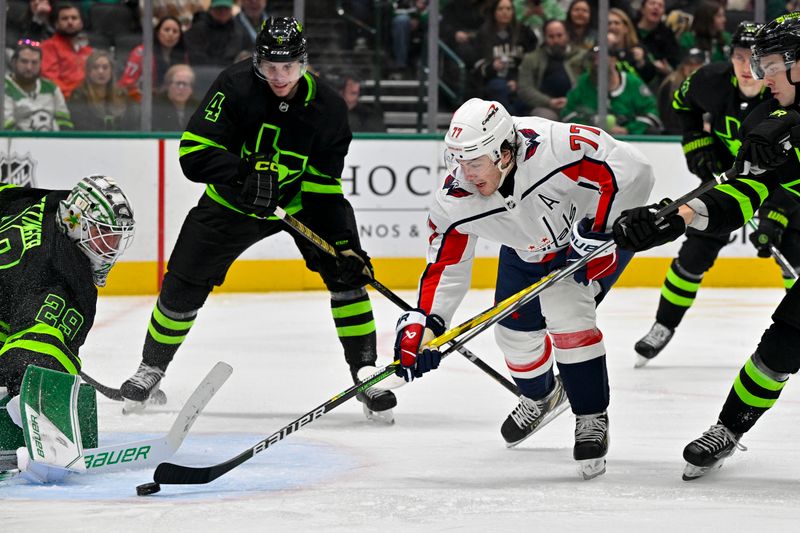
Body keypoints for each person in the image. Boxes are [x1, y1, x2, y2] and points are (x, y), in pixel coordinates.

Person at [118, 17, 397, 423]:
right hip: (231, 204)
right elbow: (192, 152)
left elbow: (322, 184)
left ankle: (366, 372)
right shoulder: (233, 87)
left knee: (347, 272)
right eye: (270, 67)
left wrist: (342, 244)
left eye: (288, 67)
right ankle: (151, 369)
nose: (279, 77)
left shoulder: (330, 108)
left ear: (304, 63)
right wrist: (241, 175)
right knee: (183, 281)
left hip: (299, 203)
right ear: (257, 64)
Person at [394, 97, 655, 479]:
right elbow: (446, 268)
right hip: (528, 251)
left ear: (503, 153)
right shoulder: (455, 201)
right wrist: (428, 328)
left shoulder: (556, 145)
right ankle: (541, 396)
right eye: (459, 160)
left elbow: (635, 172)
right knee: (513, 334)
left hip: (587, 242)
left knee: (567, 311)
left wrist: (601, 232)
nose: (465, 173)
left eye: (475, 161)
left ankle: (591, 416)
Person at [611, 12, 800, 481]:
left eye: (772, 66)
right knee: (781, 344)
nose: (761, 77)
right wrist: (674, 219)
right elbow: (740, 193)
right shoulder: (768, 120)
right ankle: (728, 428)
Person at [633, 21, 800, 367]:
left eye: (766, 65)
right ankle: (663, 325)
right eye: (742, 59)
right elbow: (682, 104)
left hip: (781, 186)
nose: (747, 70)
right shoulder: (710, 82)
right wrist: (698, 146)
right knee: (694, 252)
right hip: (732, 181)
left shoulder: (785, 103)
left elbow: (790, 177)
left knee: (792, 253)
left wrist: (775, 216)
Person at [0, 176, 135, 397]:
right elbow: (34, 355)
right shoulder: (63, 273)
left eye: (115, 239)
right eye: (102, 236)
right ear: (77, 224)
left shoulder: (47, 204)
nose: (110, 250)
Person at [562, 46, 663, 135]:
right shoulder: (582, 83)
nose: (596, 63)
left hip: (632, 142)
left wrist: (628, 130)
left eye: (601, 59)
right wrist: (588, 129)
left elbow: (652, 113)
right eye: (593, 59)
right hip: (591, 141)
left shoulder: (633, 83)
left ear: (614, 60)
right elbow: (567, 113)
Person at [472, 0, 538, 114]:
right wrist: (492, 66)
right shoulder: (484, 33)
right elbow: (477, 65)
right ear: (494, 12)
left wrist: (517, 81)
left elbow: (533, 61)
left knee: (525, 98)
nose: (505, 12)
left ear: (513, 12)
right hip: (493, 81)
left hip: (521, 81)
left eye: (508, 9)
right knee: (498, 87)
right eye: (500, 9)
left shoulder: (524, 32)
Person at [517, 19, 586, 120]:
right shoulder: (531, 58)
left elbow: (590, 84)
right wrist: (549, 101)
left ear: (567, 35)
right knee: (544, 121)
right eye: (551, 37)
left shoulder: (582, 56)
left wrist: (571, 100)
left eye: (559, 35)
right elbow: (525, 89)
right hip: (545, 107)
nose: (556, 40)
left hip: (577, 106)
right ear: (544, 38)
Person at [4, 39, 73, 131]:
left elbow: (65, 121)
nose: (29, 67)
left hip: (53, 142)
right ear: (14, 62)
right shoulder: (4, 88)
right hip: (20, 144)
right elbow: (6, 127)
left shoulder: (51, 88)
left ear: (40, 64)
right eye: (24, 62)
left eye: (34, 62)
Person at [118, 15, 189, 102]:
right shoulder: (141, 53)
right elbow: (126, 85)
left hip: (171, 104)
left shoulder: (183, 56)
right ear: (158, 32)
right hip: (142, 103)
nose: (170, 34)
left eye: (175, 31)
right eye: (166, 30)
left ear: (180, 36)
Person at [68, 50, 139, 131]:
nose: (100, 71)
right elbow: (80, 125)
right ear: (88, 71)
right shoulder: (79, 95)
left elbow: (130, 124)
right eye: (95, 67)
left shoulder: (122, 94)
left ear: (111, 71)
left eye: (105, 67)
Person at [40, 2, 93, 99]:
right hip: (64, 100)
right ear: (56, 24)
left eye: (74, 18)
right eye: (65, 19)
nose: (70, 22)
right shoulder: (48, 46)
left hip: (91, 100)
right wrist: (73, 96)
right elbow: (50, 79)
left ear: (81, 23)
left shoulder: (88, 50)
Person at [183, 0, 250, 67]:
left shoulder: (239, 30)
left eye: (226, 8)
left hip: (231, 71)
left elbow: (248, 50)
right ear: (211, 9)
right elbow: (195, 56)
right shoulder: (197, 29)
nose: (222, 12)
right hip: (203, 70)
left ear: (231, 10)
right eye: (219, 8)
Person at [635, 0, 680, 85]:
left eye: (660, 5)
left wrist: (667, 70)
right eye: (652, 3)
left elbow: (673, 64)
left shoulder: (668, 34)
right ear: (642, 9)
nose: (656, 7)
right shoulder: (630, 27)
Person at [152, 64, 200, 131]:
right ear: (168, 85)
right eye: (178, 83)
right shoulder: (155, 107)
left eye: (185, 84)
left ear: (191, 89)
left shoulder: (198, 109)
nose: (181, 88)